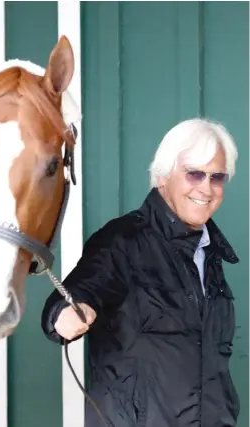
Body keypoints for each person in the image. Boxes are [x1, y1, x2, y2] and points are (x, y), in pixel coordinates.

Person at [41, 118, 240, 427]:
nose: (206, 187)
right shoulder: (122, 241)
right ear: (162, 176)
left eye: (217, 177)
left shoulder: (211, 254)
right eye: (194, 173)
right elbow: (76, 293)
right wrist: (63, 314)